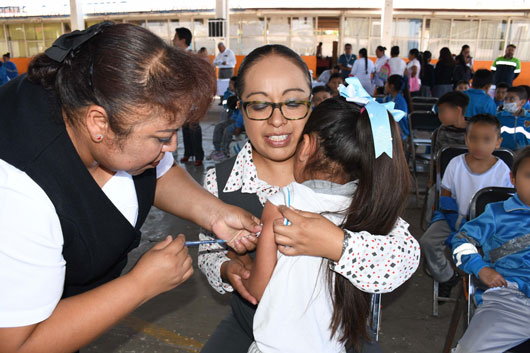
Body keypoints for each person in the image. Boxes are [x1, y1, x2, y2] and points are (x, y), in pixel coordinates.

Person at [0, 22, 263, 353]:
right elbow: (17, 345)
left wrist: (215, 214)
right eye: (161, 137)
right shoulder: (18, 195)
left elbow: (159, 172)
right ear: (99, 123)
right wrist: (139, 286)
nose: (171, 148)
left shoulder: (105, 101)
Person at [197, 44, 420, 353]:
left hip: (339, 335)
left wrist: (337, 244)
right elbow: (207, 253)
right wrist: (226, 269)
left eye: (292, 102)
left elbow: (404, 257)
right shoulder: (221, 180)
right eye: (260, 105)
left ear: (312, 105)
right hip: (252, 327)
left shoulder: (353, 179)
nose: (277, 120)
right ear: (240, 107)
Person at [245, 91, 413, 353]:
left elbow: (259, 288)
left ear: (307, 146)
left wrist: (242, 267)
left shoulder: (282, 203)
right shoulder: (367, 209)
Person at [420, 114, 513, 300]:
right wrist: (455, 222)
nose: (479, 144)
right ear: (466, 139)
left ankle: (486, 287)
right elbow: (445, 197)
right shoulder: (456, 164)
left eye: (487, 140)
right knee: (427, 242)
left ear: (498, 142)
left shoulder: (503, 170)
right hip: (454, 218)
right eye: (473, 138)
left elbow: (505, 204)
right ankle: (447, 276)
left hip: (487, 225)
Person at [451, 146, 530, 353]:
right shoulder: (497, 213)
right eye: (529, 176)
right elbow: (461, 240)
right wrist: (480, 268)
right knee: (469, 350)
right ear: (512, 178)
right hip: (510, 299)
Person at [174, 27, 205, 166]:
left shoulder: (191, 56)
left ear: (183, 40)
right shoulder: (177, 56)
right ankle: (188, 152)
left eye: (175, 38)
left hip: (192, 97)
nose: (173, 40)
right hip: (181, 97)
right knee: (185, 126)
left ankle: (199, 155)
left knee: (194, 126)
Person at [208, 77, 238, 161]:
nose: (229, 86)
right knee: (219, 126)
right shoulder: (227, 93)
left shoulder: (241, 96)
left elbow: (241, 116)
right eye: (229, 84)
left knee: (227, 130)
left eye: (231, 84)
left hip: (237, 120)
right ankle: (218, 150)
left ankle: (225, 152)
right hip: (230, 116)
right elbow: (225, 104)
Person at [498, 86, 530, 150]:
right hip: (502, 154)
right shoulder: (498, 117)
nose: (507, 102)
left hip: (523, 155)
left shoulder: (528, 118)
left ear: (522, 102)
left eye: (512, 99)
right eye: (506, 99)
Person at [383, 74, 410, 140]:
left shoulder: (400, 101)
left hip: (400, 131)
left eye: (386, 83)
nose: (385, 85)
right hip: (394, 129)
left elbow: (400, 120)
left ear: (391, 86)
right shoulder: (389, 98)